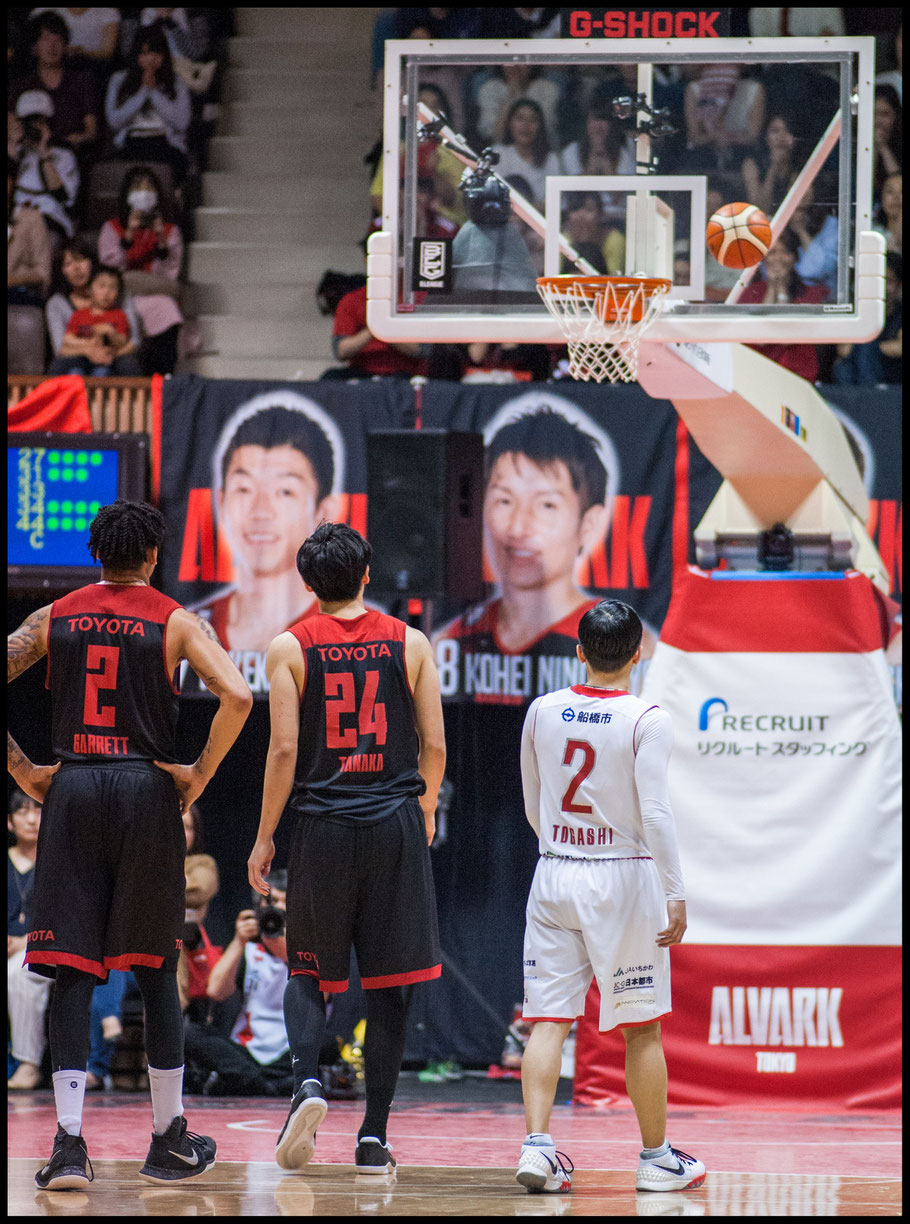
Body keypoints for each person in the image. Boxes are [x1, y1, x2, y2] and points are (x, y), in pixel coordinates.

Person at [7, 498, 253, 1189]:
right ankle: (167, 1137)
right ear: (151, 555)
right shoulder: (175, 619)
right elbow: (236, 695)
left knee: (73, 969)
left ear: (95, 553)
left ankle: (67, 1146)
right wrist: (198, 776)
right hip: (145, 794)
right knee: (154, 965)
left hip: (75, 789)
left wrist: (25, 770)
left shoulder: (52, 618)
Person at [246, 521, 446, 1174]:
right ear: (367, 574)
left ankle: (306, 1083)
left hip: (323, 826)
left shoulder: (289, 647)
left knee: (309, 972)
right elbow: (434, 747)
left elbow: (281, 750)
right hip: (392, 821)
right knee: (390, 987)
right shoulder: (410, 643)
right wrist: (425, 811)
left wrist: (265, 836)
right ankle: (374, 1137)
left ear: (308, 583)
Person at [515, 599, 706, 1195]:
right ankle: (656, 1158)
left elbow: (532, 798)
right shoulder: (647, 717)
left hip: (554, 871)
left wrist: (559, 846)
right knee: (641, 1027)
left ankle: (538, 1149)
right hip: (621, 877)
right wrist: (675, 892)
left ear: (579, 652)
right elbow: (654, 812)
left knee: (547, 1020)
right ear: (638, 653)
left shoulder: (543, 709)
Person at [433, 406, 657, 700]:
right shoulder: (450, 643)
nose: (518, 527)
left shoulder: (627, 644)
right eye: (504, 500)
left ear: (588, 523)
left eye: (546, 505)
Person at [191, 403, 343, 652]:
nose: (260, 511)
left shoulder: (350, 634)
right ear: (221, 502)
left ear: (323, 512)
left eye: (284, 492)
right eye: (243, 489)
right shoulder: (191, 630)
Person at [183, 871, 295, 1097]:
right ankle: (271, 1085)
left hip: (291, 1052)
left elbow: (324, 995)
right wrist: (238, 940)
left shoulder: (307, 948)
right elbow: (215, 991)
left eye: (286, 902)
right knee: (187, 1033)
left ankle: (249, 1082)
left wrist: (280, 947)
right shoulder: (249, 947)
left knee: (328, 1045)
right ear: (259, 906)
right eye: (272, 902)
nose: (279, 908)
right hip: (246, 1050)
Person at [98, 164, 184, 374]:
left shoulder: (170, 230)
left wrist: (162, 243)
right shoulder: (112, 228)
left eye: (149, 188)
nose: (143, 194)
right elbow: (109, 272)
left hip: (156, 294)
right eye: (138, 188)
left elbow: (168, 278)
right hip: (119, 296)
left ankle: (165, 378)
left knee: (167, 308)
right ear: (127, 194)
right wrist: (128, 235)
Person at [105, 20, 191, 179]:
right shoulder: (119, 79)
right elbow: (114, 120)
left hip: (164, 142)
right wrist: (143, 92)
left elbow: (182, 122)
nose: (150, 59)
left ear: (164, 56)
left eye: (156, 53)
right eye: (144, 53)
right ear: (136, 55)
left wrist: (154, 92)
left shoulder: (176, 82)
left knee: (176, 164)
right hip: (131, 141)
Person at [738, 228, 828, 381]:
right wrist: (772, 287)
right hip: (758, 372)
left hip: (797, 373)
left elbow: (786, 333)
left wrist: (780, 288)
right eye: (772, 253)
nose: (777, 258)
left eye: (783, 252)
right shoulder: (750, 293)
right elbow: (760, 338)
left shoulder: (810, 294)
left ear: (792, 257)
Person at [8, 11, 99, 156]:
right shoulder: (21, 86)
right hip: (29, 154)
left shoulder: (82, 81)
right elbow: (11, 126)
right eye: (46, 39)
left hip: (72, 153)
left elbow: (91, 131)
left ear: (65, 45)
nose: (52, 46)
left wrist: (75, 140)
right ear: (34, 47)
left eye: (58, 40)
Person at [45, 238, 143, 373]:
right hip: (76, 355)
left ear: (92, 261)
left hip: (115, 353)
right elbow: (60, 347)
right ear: (61, 271)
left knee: (128, 364)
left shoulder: (118, 295)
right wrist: (90, 350)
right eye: (68, 264)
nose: (76, 268)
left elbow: (134, 341)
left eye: (80, 260)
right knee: (59, 366)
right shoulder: (58, 303)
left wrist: (108, 353)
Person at [8, 789, 51, 1091]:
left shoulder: (57, 864)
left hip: (44, 949)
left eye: (38, 811)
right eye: (23, 811)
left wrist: (26, 942)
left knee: (18, 974)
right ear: (9, 822)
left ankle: (27, 1063)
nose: (32, 819)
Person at [9, 89, 79, 242]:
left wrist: (44, 152)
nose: (34, 129)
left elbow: (64, 197)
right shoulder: (17, 152)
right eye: (29, 124)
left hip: (49, 218)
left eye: (40, 123)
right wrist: (13, 146)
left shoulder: (63, 155)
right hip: (16, 216)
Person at [332, 274, 426, 379]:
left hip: (407, 375)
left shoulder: (416, 299)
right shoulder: (352, 299)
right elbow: (341, 352)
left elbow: (421, 350)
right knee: (331, 377)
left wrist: (385, 328)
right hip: (362, 374)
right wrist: (373, 328)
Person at [833, 252, 902, 385]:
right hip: (856, 374)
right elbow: (843, 350)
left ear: (899, 285)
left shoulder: (899, 312)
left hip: (892, 379)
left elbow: (899, 348)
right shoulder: (855, 311)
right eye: (877, 280)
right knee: (843, 367)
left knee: (865, 349)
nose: (882, 287)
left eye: (888, 281)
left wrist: (869, 347)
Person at [491, 98, 561, 211]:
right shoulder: (499, 153)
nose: (525, 125)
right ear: (510, 123)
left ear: (540, 126)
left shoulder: (551, 160)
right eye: (520, 118)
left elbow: (556, 204)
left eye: (532, 120)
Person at [741, 113, 800, 218]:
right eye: (775, 131)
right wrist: (774, 167)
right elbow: (760, 208)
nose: (781, 137)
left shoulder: (801, 164)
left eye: (787, 131)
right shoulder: (752, 163)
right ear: (766, 137)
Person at [872, 85, 901, 203]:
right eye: (874, 114)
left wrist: (883, 148)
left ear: (896, 116)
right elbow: (864, 185)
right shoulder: (854, 144)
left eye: (885, 114)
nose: (878, 121)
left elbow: (898, 184)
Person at [873, 173, 902, 255]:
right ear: (882, 197)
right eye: (890, 192)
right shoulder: (873, 233)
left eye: (901, 191)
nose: (896, 197)